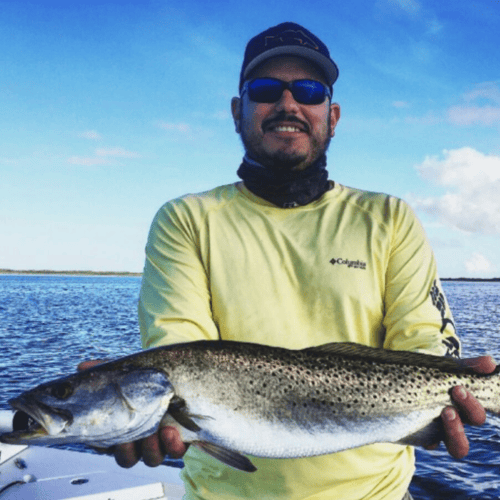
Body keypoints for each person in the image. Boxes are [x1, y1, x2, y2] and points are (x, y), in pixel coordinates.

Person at [81, 22, 496, 500]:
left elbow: (423, 342)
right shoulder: (186, 219)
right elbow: (181, 349)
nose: (287, 104)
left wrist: (457, 396)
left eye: (308, 90)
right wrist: (147, 415)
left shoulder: (389, 218)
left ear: (332, 115)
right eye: (265, 89)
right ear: (238, 112)